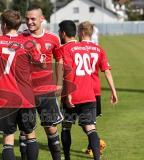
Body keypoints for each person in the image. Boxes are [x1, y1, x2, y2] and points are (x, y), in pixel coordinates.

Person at [0, 9, 45, 160]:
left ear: (4, 24)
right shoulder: (28, 42)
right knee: (30, 135)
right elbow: (41, 64)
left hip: (5, 97)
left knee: (8, 140)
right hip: (25, 97)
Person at [19, 5, 64, 160]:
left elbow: (59, 60)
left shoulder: (53, 38)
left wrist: (59, 83)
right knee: (26, 130)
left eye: (33, 19)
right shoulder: (20, 37)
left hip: (46, 91)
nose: (29, 22)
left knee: (51, 129)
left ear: (42, 18)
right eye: (27, 19)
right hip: (25, 92)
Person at [57, 20, 101, 160]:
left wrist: (68, 92)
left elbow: (68, 71)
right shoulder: (85, 48)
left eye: (59, 31)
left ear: (63, 33)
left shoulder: (63, 49)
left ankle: (67, 157)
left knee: (66, 127)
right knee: (90, 128)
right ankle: (97, 158)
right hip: (88, 94)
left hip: (72, 95)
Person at [78, 21, 118, 156]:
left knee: (86, 123)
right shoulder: (99, 49)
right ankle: (93, 145)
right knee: (89, 122)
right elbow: (107, 71)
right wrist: (113, 91)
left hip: (82, 89)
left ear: (82, 32)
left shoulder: (77, 48)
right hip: (95, 90)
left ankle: (96, 145)